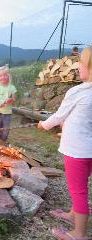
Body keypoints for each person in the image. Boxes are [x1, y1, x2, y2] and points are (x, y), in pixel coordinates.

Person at [38, 47, 92, 240]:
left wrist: (44, 125)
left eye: (82, 64)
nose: (77, 68)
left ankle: (79, 233)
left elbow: (59, 115)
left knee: (78, 191)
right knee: (81, 185)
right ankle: (72, 215)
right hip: (89, 151)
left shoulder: (77, 91)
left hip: (77, 150)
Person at [0, 65, 17, 144]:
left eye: (5, 75)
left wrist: (10, 100)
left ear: (8, 76)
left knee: (5, 130)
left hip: (7, 113)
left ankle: (2, 143)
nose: (3, 77)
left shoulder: (12, 88)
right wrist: (0, 103)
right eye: (1, 76)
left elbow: (14, 100)